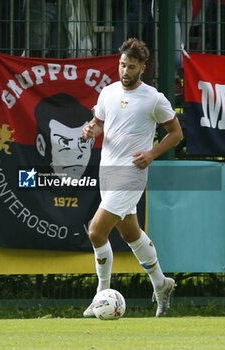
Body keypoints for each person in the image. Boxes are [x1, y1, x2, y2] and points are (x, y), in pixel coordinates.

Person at [81, 38, 183, 317]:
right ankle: (161, 283)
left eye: (132, 67)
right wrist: (91, 129)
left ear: (143, 68)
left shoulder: (154, 99)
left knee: (96, 231)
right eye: (122, 65)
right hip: (108, 170)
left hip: (132, 172)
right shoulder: (108, 92)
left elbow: (176, 133)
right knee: (129, 233)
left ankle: (100, 296)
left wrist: (151, 154)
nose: (125, 71)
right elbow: (100, 123)